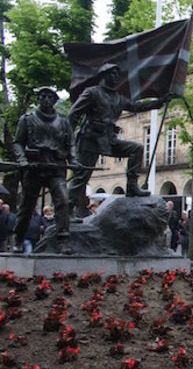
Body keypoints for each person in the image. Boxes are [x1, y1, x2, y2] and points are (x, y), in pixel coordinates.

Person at [67, 64, 169, 218]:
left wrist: (159, 102)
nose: (116, 77)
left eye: (117, 74)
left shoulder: (118, 98)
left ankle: (132, 186)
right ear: (104, 75)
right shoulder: (92, 93)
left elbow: (135, 107)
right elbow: (73, 114)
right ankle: (67, 212)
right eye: (112, 74)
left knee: (137, 148)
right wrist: (68, 141)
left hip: (109, 139)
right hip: (91, 139)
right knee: (82, 177)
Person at [11, 87, 76, 254]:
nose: (46, 99)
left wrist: (74, 160)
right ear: (38, 99)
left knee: (63, 200)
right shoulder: (27, 119)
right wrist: (22, 160)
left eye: (50, 96)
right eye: (43, 96)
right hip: (34, 168)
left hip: (56, 167)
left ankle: (63, 240)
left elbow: (71, 145)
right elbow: (17, 142)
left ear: (55, 100)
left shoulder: (63, 122)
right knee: (27, 206)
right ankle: (18, 239)